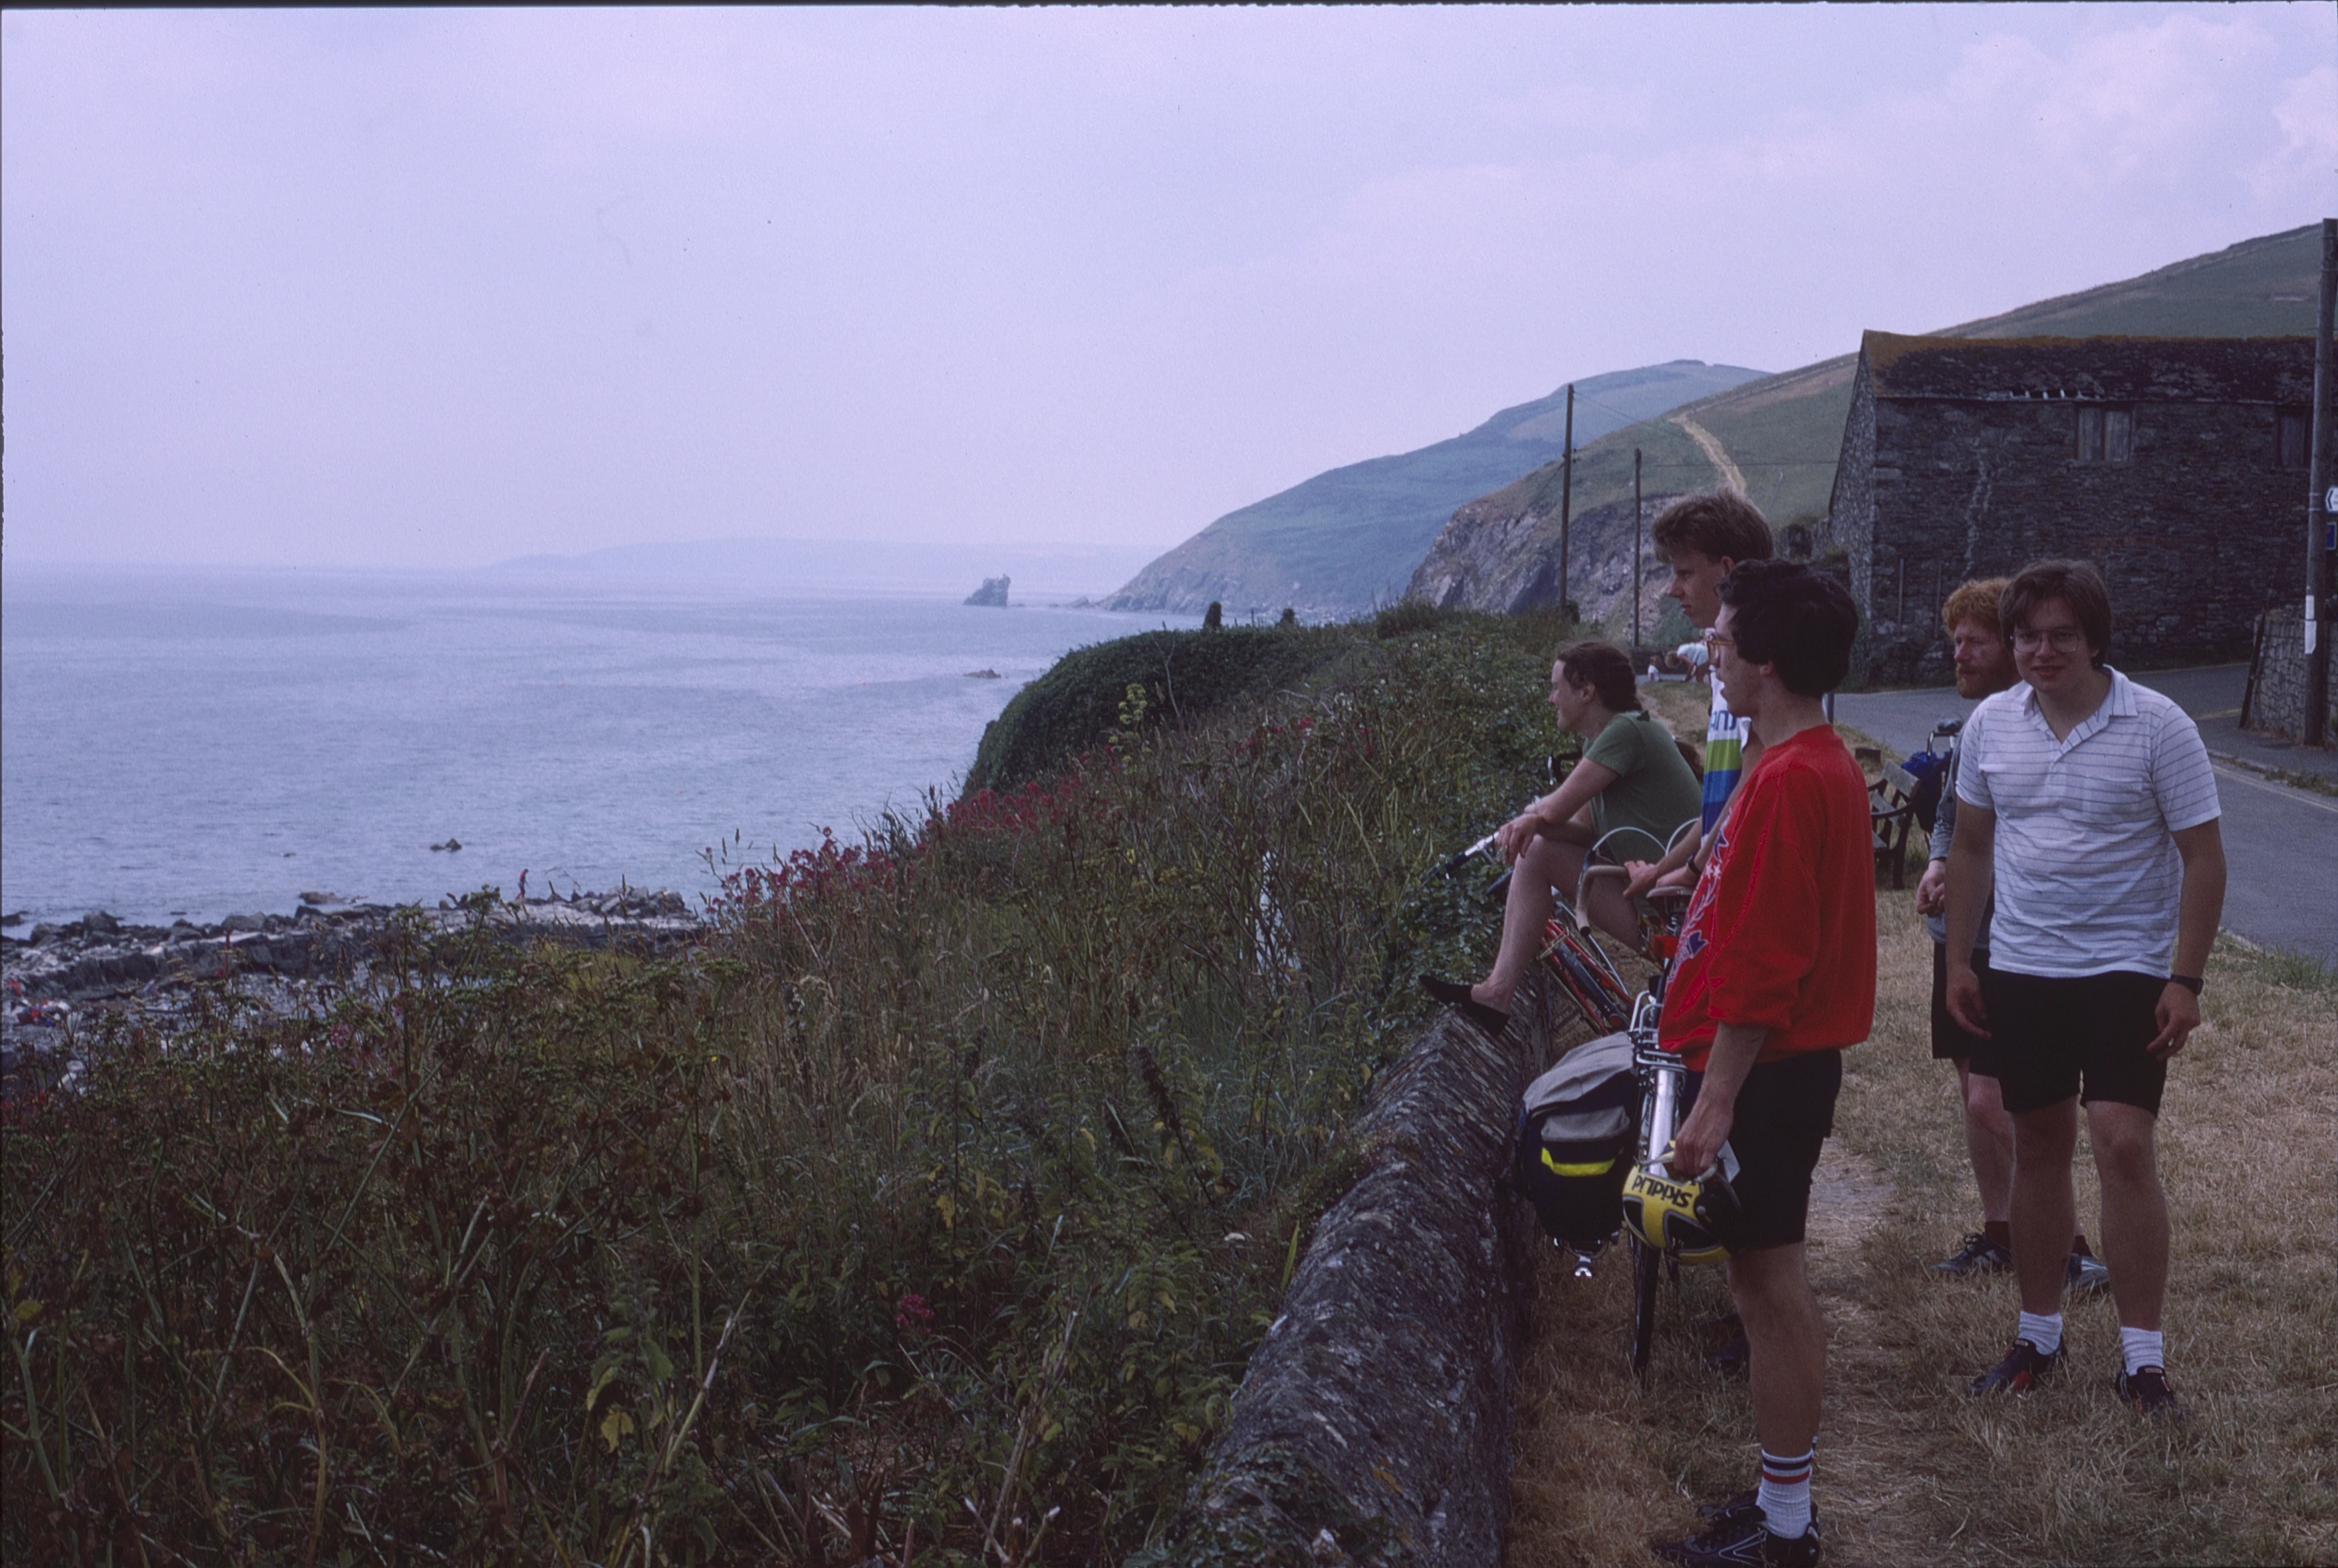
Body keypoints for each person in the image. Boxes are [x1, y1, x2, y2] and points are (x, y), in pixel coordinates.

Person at [1945, 560, 2225, 1421]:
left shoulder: (2159, 726)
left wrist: (2185, 977)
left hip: (2128, 969)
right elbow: (1971, 849)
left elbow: (2204, 857)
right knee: (2036, 1141)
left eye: (2062, 634)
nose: (2041, 650)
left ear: (2096, 638)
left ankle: (2143, 1360)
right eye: (2027, 635)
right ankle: (2037, 1334)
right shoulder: (1991, 724)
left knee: (2122, 1142)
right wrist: (1962, 960)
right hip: (2023, 968)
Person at [1650, 560, 1874, 1568]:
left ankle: (1788, 1532)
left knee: (1773, 1290)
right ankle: (1781, 1502)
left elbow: (1769, 964)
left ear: (1770, 657)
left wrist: (1718, 1102)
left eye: (1727, 641)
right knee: (1756, 1283)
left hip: (1769, 1070)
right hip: (1768, 1065)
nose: (1715, 656)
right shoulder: (1797, 762)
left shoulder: (1792, 779)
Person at [1914, 581, 2108, 1291]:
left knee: (1998, 1101)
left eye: (1976, 642)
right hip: (1963, 939)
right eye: (1955, 641)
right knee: (1972, 1089)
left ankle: (2071, 1244)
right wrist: (1937, 864)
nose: (1959, 655)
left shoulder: (2041, 728)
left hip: (2012, 945)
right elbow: (1953, 824)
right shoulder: (1979, 730)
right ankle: (2002, 1230)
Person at [1420, 640, 1701, 1031]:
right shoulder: (1602, 740)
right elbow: (1585, 830)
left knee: (1535, 853)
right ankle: (1496, 994)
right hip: (1661, 905)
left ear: (1586, 692)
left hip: (1680, 915)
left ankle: (1498, 994)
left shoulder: (1626, 732)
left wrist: (1531, 821)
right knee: (1536, 851)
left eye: (1556, 688)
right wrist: (1532, 826)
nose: (1552, 699)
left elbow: (1554, 810)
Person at [1622, 491, 1775, 906]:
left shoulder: (1751, 658)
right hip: (1720, 871)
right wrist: (1665, 868)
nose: (1673, 590)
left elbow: (1751, 782)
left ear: (1726, 571)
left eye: (1685, 574)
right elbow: (1719, 802)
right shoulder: (1720, 649)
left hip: (1739, 885)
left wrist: (1694, 871)